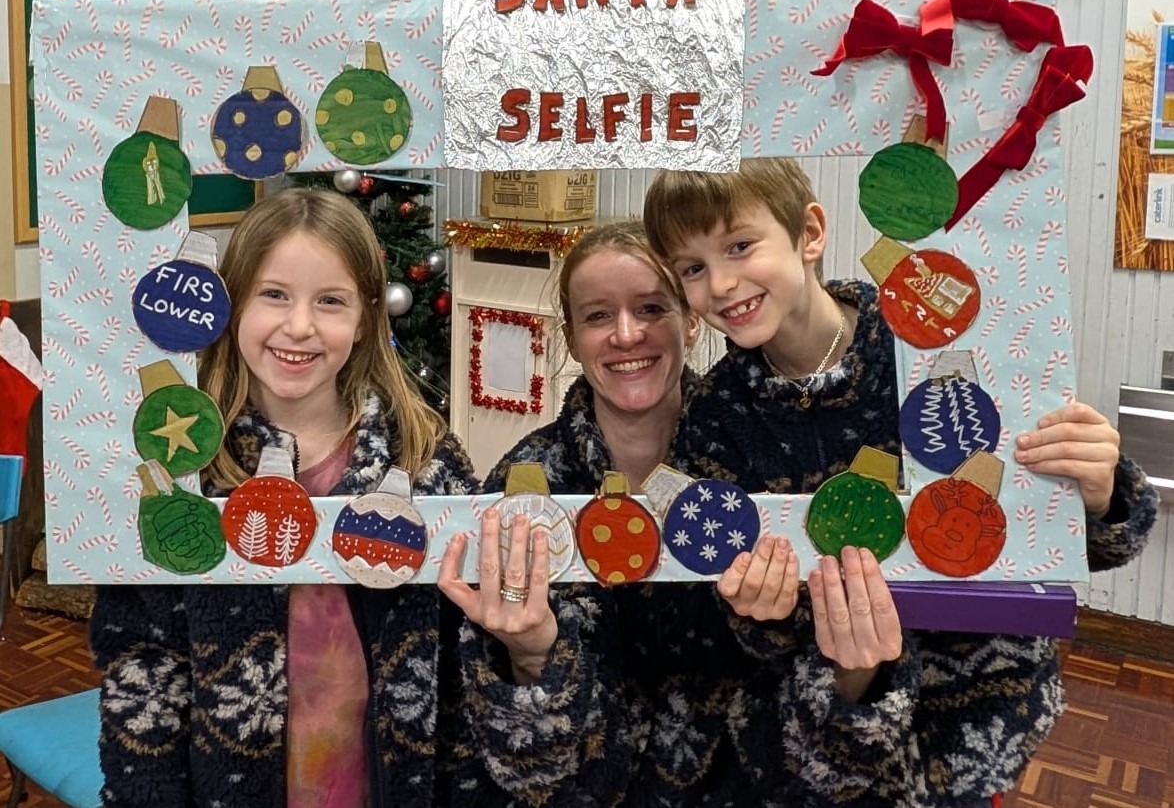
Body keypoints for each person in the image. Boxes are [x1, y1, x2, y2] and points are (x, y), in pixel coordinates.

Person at [641, 156, 1159, 806]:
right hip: (829, 740)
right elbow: (727, 625)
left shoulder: (934, 344)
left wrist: (1099, 489)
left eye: (739, 246)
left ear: (809, 234)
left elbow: (1074, 538)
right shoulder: (717, 417)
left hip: (970, 729)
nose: (720, 283)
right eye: (692, 267)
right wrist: (757, 614)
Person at [438, 220, 922, 806]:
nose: (625, 334)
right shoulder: (528, 484)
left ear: (691, 320)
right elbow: (521, 769)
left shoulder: (767, 461)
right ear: (570, 337)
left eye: (650, 308)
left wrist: (851, 673)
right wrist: (532, 654)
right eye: (597, 316)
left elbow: (833, 763)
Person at [89, 187, 480, 807]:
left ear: (365, 318)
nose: (299, 326)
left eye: (330, 301)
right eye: (274, 294)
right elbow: (144, 664)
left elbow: (469, 659)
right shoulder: (185, 475)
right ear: (233, 302)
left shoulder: (425, 462)